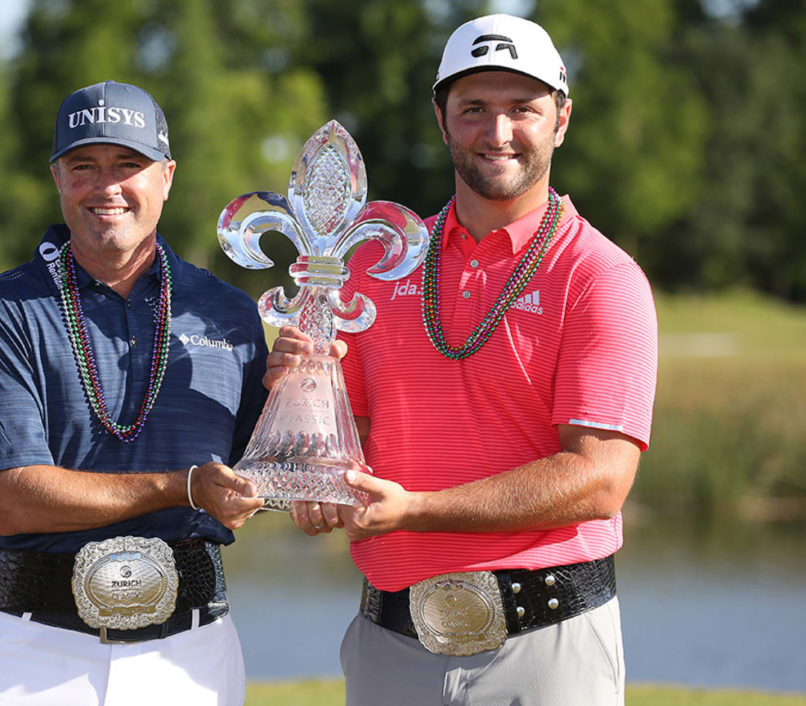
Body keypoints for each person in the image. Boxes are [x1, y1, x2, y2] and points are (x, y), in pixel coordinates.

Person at [266, 14, 657, 706]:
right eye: (474, 108)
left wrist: (416, 509)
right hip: (389, 639)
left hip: (546, 644)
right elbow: (340, 443)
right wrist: (303, 437)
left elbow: (598, 480)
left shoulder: (601, 276)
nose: (498, 132)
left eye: (523, 109)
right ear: (442, 120)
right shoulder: (376, 265)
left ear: (561, 120)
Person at [0, 80, 267, 706]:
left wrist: (308, 393)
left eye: (129, 165)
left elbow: (266, 477)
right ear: (58, 178)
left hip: (192, 652)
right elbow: (14, 500)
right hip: (29, 652)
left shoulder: (228, 312)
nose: (106, 186)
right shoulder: (3, 307)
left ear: (166, 177)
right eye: (83, 166)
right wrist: (184, 487)